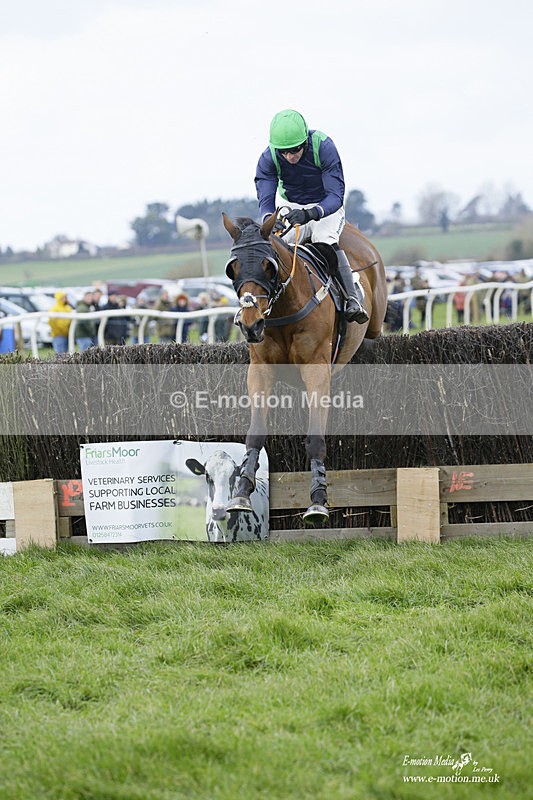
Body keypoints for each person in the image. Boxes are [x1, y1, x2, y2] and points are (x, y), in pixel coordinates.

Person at [255, 108, 368, 323]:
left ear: (305, 141)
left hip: (325, 204)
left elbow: (336, 195)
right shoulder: (268, 157)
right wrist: (269, 217)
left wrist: (311, 214)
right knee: (270, 246)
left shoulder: (324, 147)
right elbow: (266, 197)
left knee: (323, 240)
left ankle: (352, 298)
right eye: (283, 152)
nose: (289, 157)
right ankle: (258, 305)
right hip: (291, 204)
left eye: (295, 150)